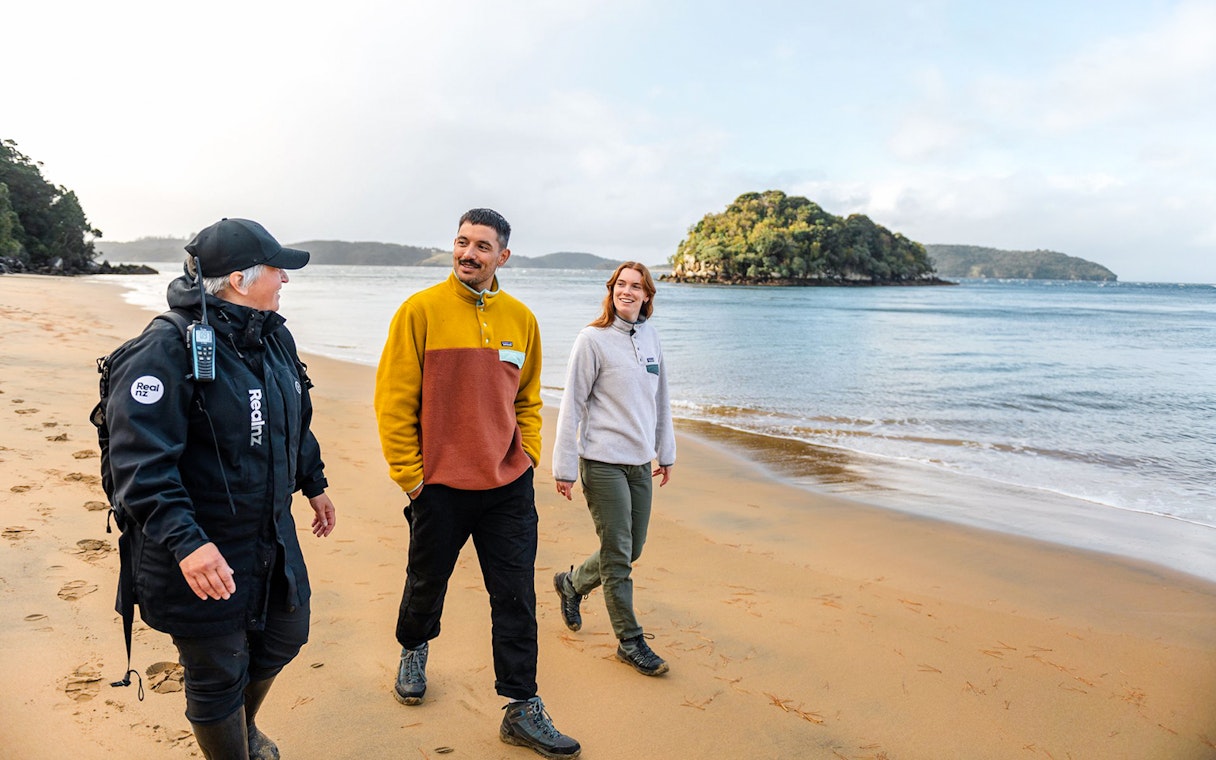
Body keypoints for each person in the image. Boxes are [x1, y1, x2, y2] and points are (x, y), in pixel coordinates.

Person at [104, 218, 337, 759]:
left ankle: (242, 728)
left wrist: (314, 482)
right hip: (198, 544)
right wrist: (187, 542)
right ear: (238, 279)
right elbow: (138, 463)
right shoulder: (163, 348)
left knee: (284, 635)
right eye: (278, 271)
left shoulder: (273, 336)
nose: (285, 281)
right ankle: (231, 747)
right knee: (216, 670)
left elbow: (291, 420)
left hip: (269, 534)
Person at [374, 208, 580, 759]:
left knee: (514, 597)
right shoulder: (420, 311)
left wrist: (528, 454)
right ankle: (413, 648)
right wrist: (412, 479)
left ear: (502, 257)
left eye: (482, 246)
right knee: (426, 583)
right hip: (438, 485)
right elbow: (394, 402)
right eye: (462, 242)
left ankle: (521, 706)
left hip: (506, 486)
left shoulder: (522, 319)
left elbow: (530, 399)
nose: (469, 253)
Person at [551, 261, 676, 676]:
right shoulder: (592, 340)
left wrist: (666, 452)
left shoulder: (652, 337)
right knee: (619, 557)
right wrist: (565, 465)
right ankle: (630, 640)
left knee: (630, 547)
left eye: (636, 286)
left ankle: (571, 584)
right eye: (621, 284)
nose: (627, 291)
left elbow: (661, 401)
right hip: (602, 462)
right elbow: (573, 404)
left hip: (640, 463)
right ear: (611, 291)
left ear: (646, 296)